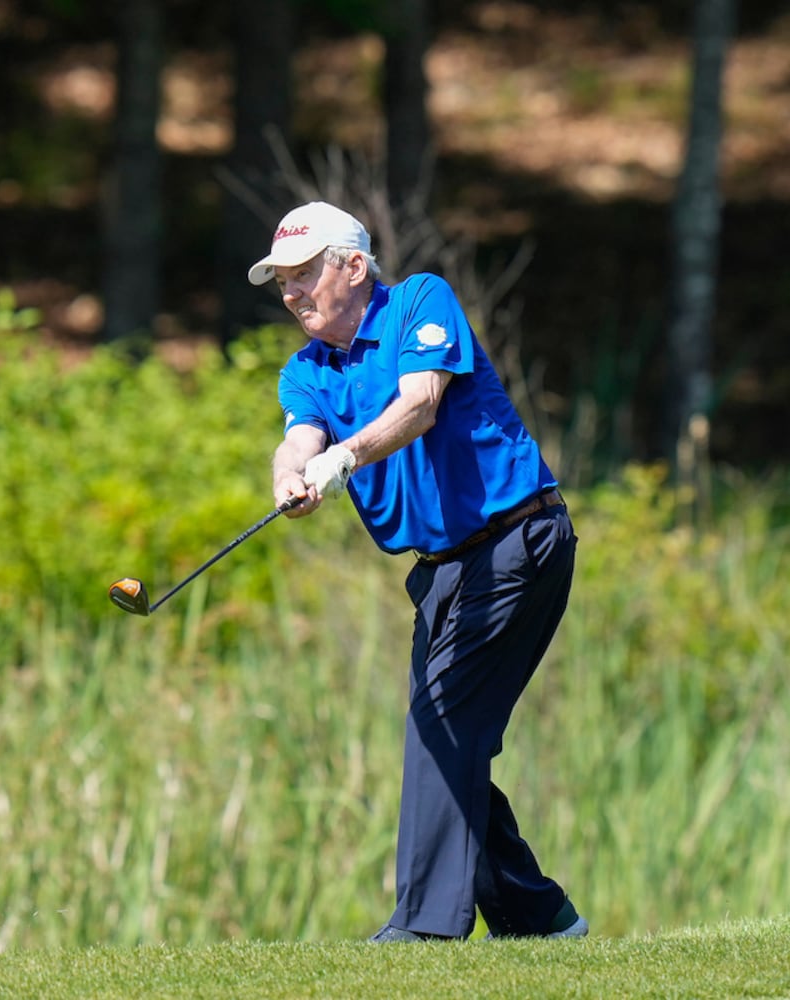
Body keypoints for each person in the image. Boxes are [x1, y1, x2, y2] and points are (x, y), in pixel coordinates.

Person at [249, 201, 587, 942]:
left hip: (516, 539)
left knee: (443, 724)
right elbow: (298, 438)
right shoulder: (306, 372)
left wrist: (344, 458)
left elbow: (421, 404)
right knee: (443, 735)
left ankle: (425, 930)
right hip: (442, 571)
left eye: (304, 274)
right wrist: (292, 476)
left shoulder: (418, 303)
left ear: (354, 266)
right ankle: (540, 919)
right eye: (282, 281)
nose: (292, 293)